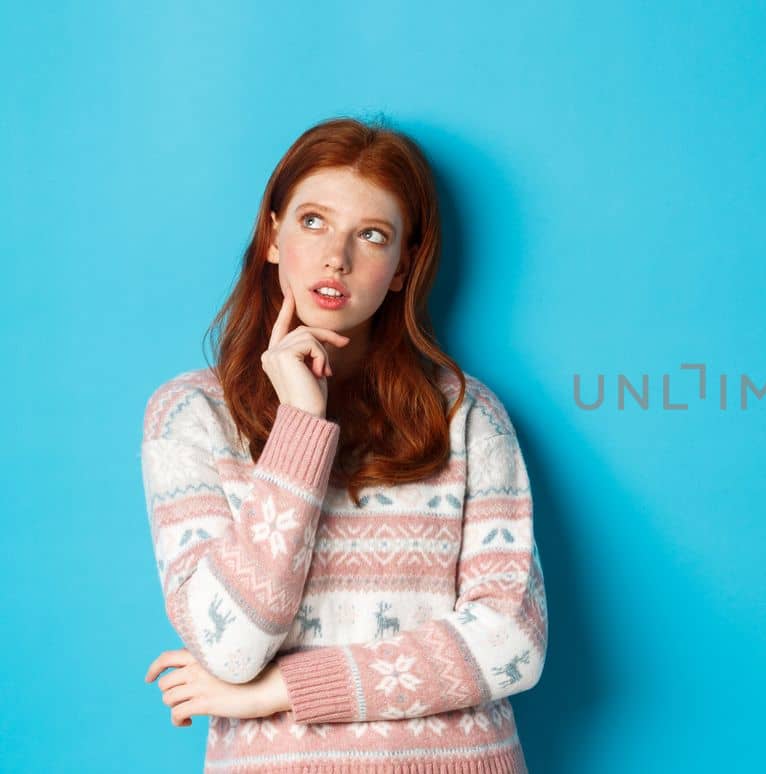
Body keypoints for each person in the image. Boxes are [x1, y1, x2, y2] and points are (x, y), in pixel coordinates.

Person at [139, 116, 547, 773]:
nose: (337, 257)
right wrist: (302, 424)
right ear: (273, 237)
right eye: (313, 222)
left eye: (372, 235)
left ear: (400, 268)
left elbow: (512, 641)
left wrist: (285, 690)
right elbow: (232, 648)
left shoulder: (468, 415)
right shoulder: (189, 417)